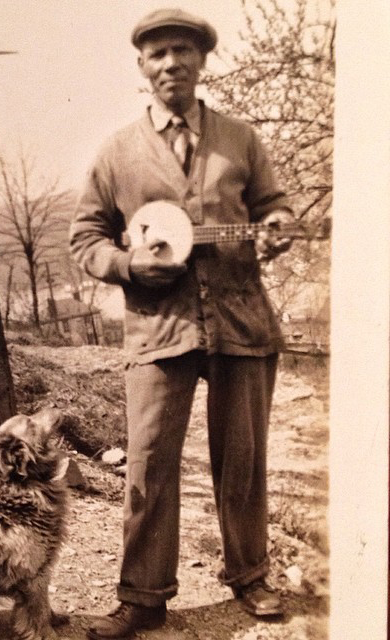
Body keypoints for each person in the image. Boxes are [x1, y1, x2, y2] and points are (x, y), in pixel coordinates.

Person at [69, 8, 294, 640]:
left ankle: (250, 576)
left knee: (243, 460)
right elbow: (84, 237)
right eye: (159, 54)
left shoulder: (240, 139)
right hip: (157, 328)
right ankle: (142, 597)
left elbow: (272, 206)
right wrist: (129, 264)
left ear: (201, 61)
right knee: (149, 462)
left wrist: (276, 224)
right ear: (142, 65)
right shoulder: (116, 152)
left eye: (183, 52)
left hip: (241, 322)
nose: (172, 64)